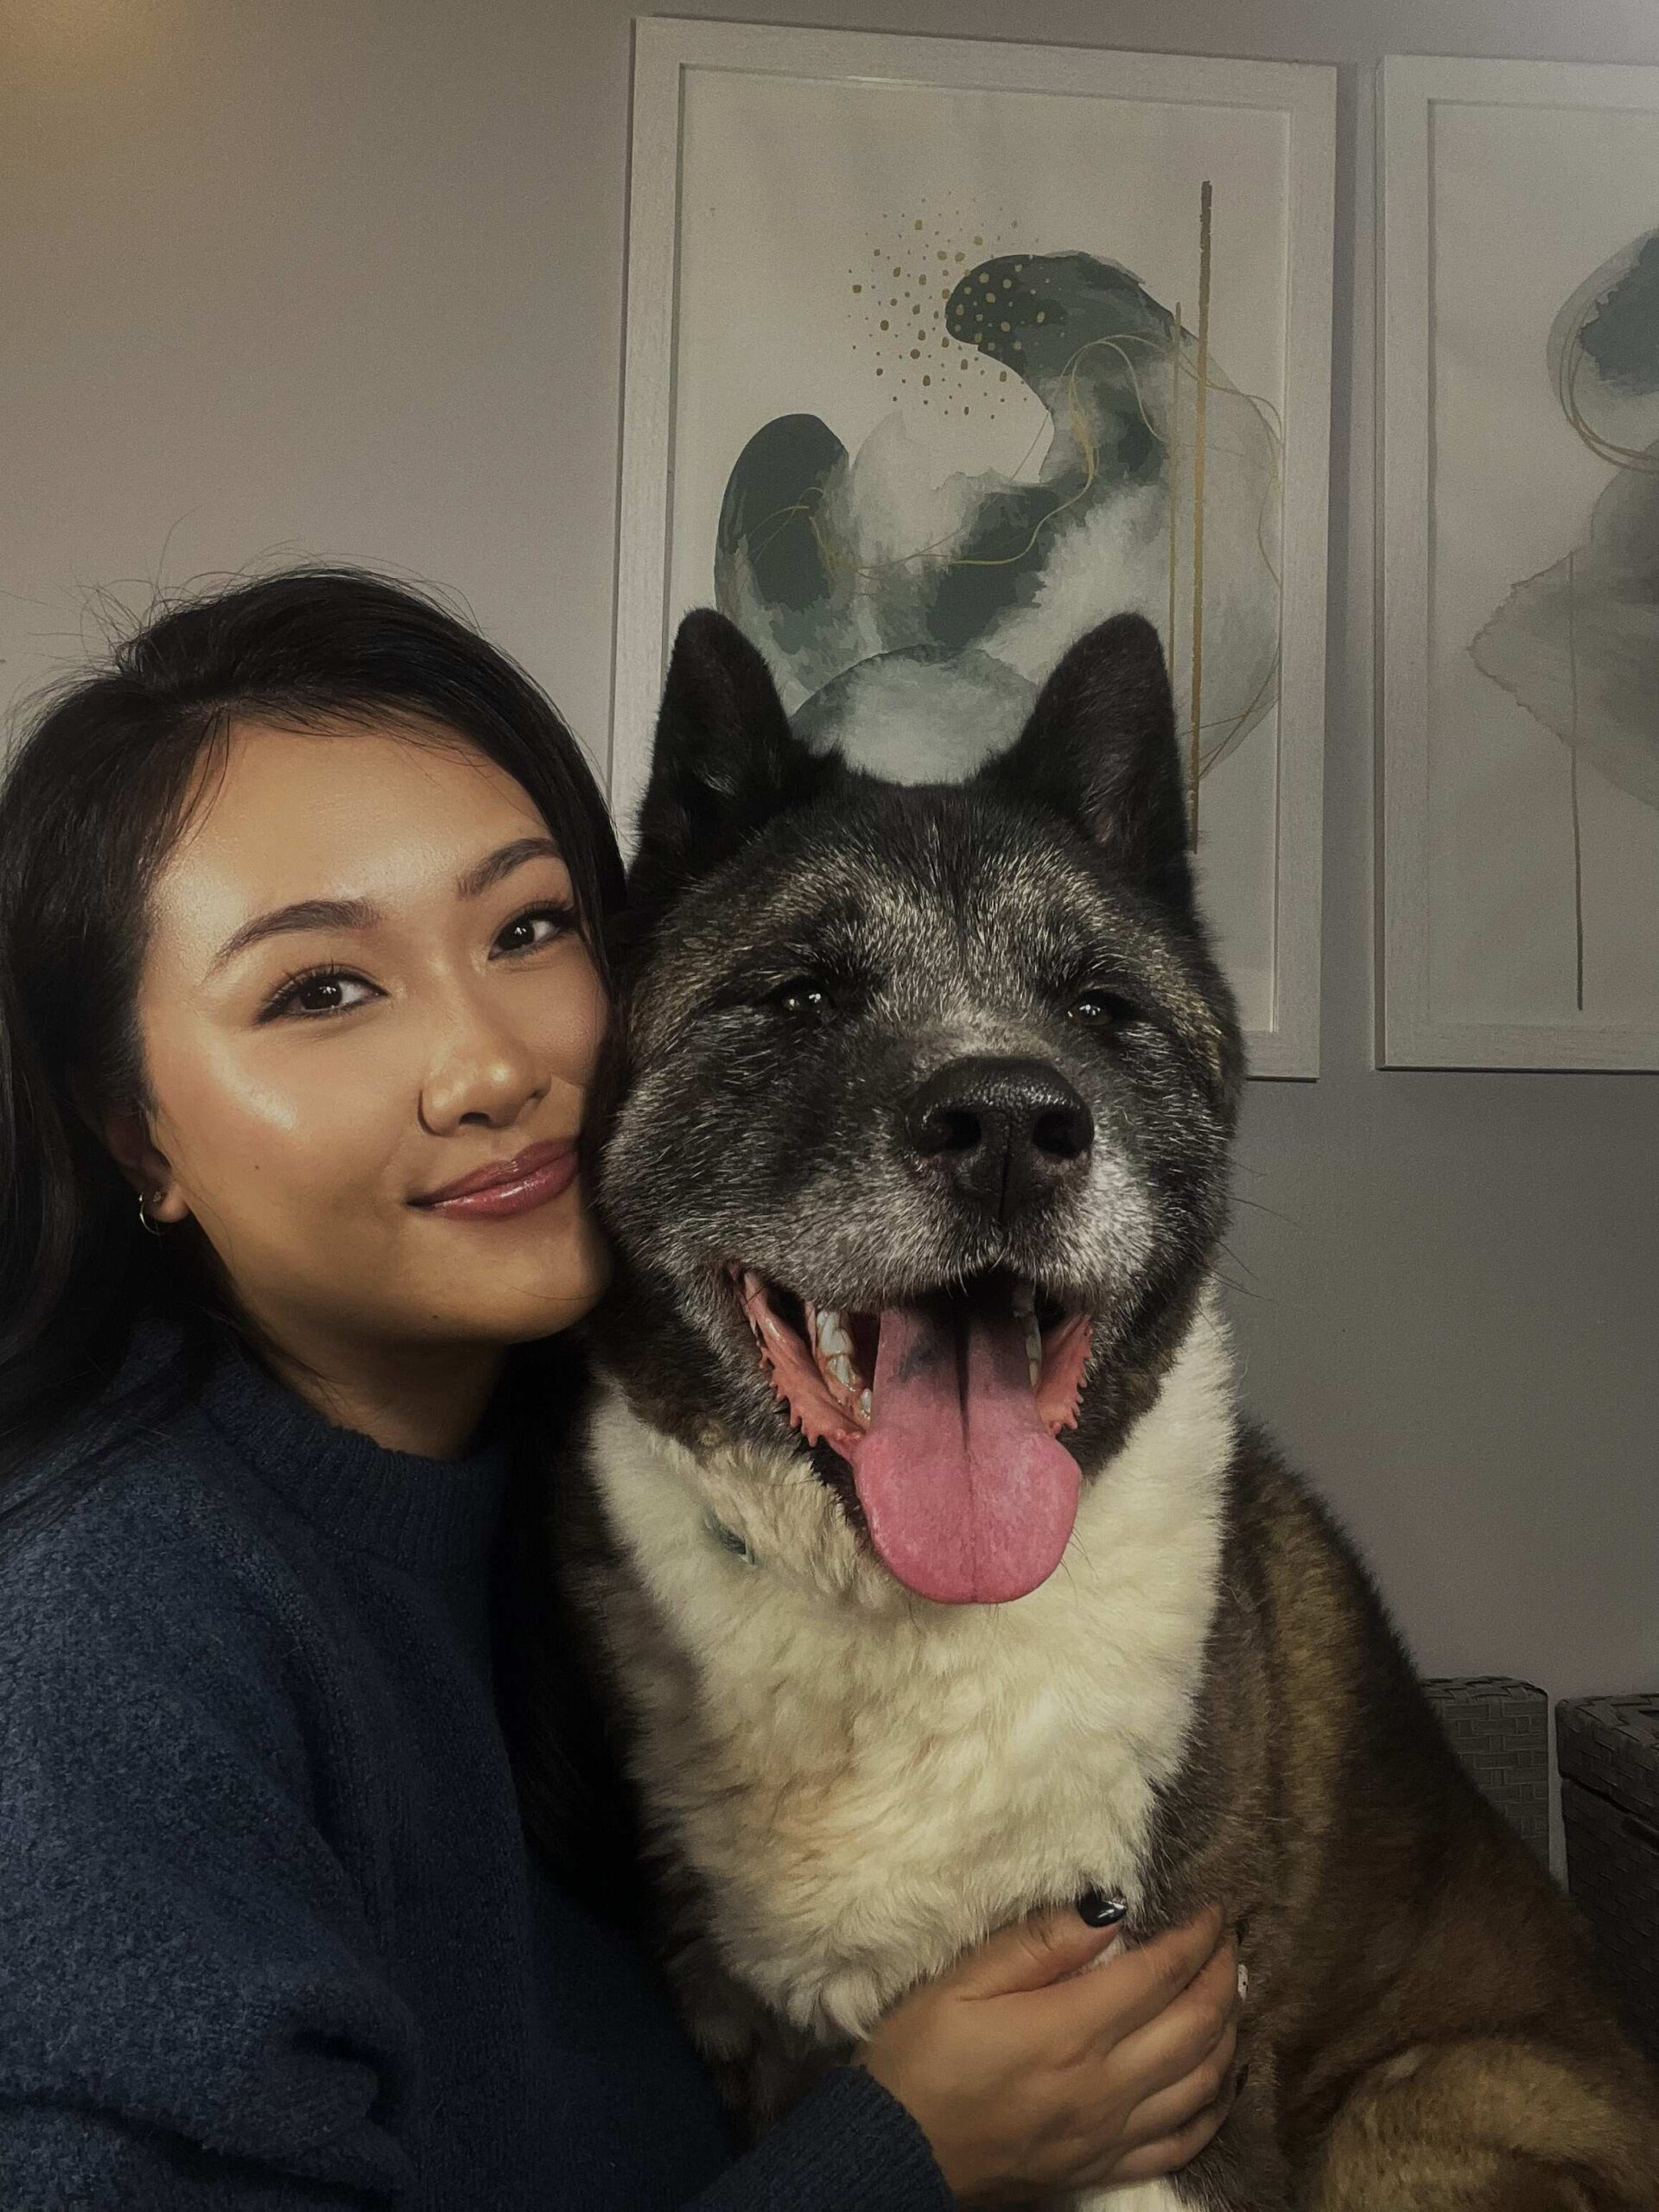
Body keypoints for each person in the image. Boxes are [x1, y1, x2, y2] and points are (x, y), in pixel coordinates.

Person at [0, 568, 1243, 2209]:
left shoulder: (582, 1496)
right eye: (321, 989)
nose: (497, 1064)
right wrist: (903, 2154)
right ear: (128, 1126)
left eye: (528, 930)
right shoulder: (98, 1631)